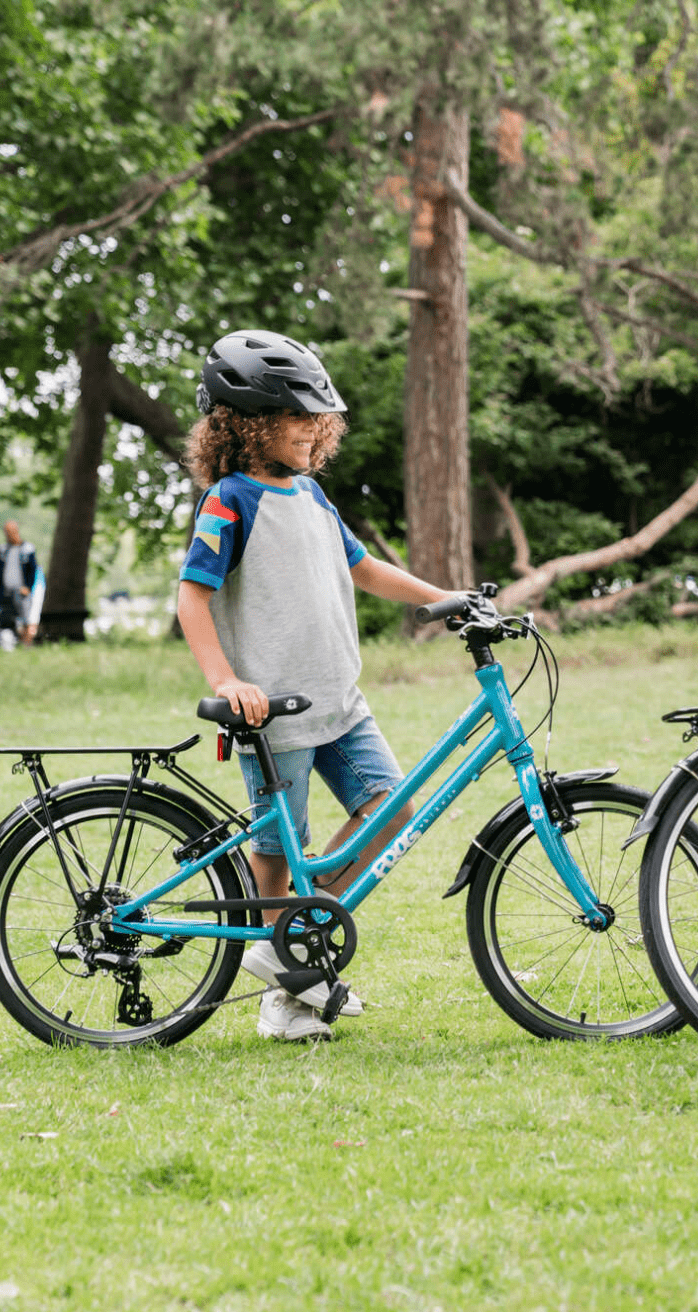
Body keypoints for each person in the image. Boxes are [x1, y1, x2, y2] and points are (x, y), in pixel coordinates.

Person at [174, 329, 456, 1043]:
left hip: (340, 704)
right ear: (247, 422)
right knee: (278, 853)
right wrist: (226, 678)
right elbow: (191, 598)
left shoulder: (311, 496)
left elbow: (365, 569)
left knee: (394, 810)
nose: (312, 430)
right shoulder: (230, 502)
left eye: (317, 418)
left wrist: (444, 599)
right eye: (296, 417)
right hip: (272, 714)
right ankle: (288, 990)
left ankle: (292, 944)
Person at [0, 521, 40, 645]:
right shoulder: (3, 550)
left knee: (26, 618)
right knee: (11, 618)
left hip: (22, 590)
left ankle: (27, 644)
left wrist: (28, 587)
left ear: (16, 531)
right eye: (6, 532)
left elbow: (33, 570)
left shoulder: (27, 549)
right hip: (6, 591)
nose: (8, 535)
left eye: (10, 532)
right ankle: (16, 642)